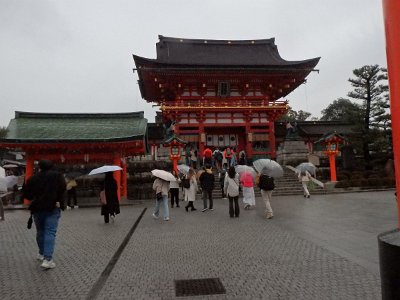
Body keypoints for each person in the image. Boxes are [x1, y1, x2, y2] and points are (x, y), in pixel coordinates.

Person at [23, 160, 66, 269]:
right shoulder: (57, 176)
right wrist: (60, 202)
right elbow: (63, 190)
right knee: (50, 232)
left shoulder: (33, 178)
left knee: (40, 231)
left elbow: (27, 194)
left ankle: (41, 253)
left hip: (37, 208)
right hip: (52, 207)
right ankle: (48, 259)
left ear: (39, 167)